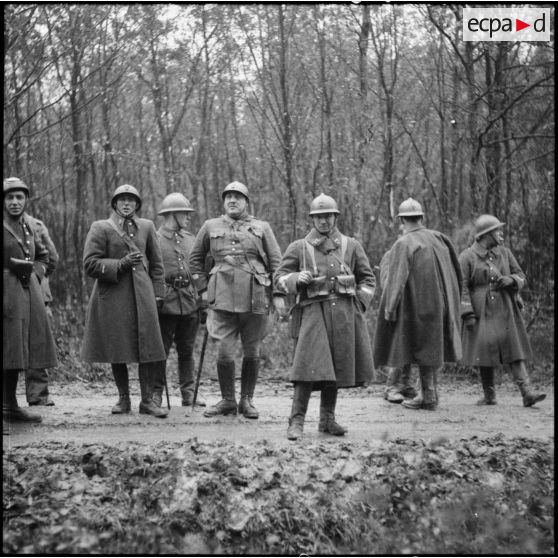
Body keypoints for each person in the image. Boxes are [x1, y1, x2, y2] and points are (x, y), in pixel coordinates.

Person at [275, 193, 376, 440]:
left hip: (344, 316)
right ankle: (296, 422)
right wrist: (295, 279)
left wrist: (358, 307)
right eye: (318, 217)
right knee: (306, 368)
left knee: (336, 368)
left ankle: (327, 420)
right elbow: (278, 278)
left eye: (327, 216)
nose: (323, 221)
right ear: (312, 219)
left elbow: (368, 280)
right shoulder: (299, 247)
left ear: (335, 217)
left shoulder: (351, 246)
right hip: (312, 315)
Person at [189, 181, 284, 419]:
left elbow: (277, 263)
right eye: (228, 197)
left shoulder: (261, 227)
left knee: (253, 349)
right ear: (224, 201)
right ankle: (228, 400)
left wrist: (279, 295)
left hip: (255, 295)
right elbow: (195, 261)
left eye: (238, 197)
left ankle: (247, 400)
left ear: (246, 202)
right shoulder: (210, 225)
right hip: (221, 296)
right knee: (224, 350)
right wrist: (202, 290)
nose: (232, 201)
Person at [81, 184, 168, 418]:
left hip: (143, 294)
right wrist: (119, 264)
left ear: (137, 204)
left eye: (131, 200)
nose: (126, 203)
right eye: (122, 200)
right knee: (117, 348)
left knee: (148, 347)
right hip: (113, 295)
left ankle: (147, 401)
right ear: (115, 204)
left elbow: (157, 264)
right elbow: (89, 264)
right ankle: (123, 399)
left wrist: (159, 293)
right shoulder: (101, 228)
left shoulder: (148, 227)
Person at [373, 197, 462, 411]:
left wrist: (390, 309)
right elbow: (457, 272)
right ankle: (428, 393)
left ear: (402, 221)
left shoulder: (403, 243)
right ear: (422, 217)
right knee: (430, 347)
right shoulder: (440, 238)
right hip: (443, 303)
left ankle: (427, 395)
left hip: (417, 306)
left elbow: (395, 280)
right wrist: (454, 302)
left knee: (421, 346)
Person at [459, 214, 545, 407]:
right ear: (486, 234)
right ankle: (489, 396)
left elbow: (521, 275)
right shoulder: (466, 257)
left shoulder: (504, 253)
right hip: (480, 309)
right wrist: (467, 313)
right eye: (497, 231)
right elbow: (462, 286)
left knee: (514, 348)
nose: (501, 234)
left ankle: (527, 393)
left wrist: (512, 280)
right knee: (484, 351)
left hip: (505, 307)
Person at [3, 177, 58, 424]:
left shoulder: (29, 225)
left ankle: (10, 406)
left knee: (19, 349)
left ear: (26, 200)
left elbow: (45, 257)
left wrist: (33, 274)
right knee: (8, 346)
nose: (15, 202)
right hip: (6, 292)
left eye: (19, 197)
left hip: (26, 293)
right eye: (10, 198)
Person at [153, 192, 206, 408]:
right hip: (165, 304)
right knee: (160, 351)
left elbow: (198, 269)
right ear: (172, 214)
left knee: (187, 351)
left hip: (189, 302)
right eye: (184, 213)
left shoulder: (191, 239)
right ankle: (155, 393)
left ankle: (188, 393)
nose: (188, 217)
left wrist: (202, 300)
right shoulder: (154, 239)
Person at [24, 212, 59, 406]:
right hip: (29, 288)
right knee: (36, 340)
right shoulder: (35, 223)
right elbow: (52, 258)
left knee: (36, 339)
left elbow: (50, 258)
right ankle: (38, 395)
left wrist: (36, 278)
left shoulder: (34, 225)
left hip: (35, 289)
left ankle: (38, 394)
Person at [378, 237, 417, 404]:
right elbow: (387, 283)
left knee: (410, 347)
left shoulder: (417, 256)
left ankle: (405, 383)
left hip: (413, 308)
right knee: (398, 348)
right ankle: (391, 386)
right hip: (398, 308)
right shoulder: (390, 255)